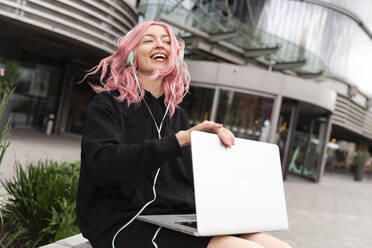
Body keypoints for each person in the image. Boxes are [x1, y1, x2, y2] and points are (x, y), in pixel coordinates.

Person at [76, 21, 291, 248]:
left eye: (167, 42)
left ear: (175, 56)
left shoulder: (177, 115)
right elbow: (104, 164)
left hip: (173, 216)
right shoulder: (108, 104)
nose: (160, 45)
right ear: (132, 54)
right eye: (149, 40)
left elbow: (187, 181)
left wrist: (220, 164)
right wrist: (180, 140)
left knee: (279, 246)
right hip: (121, 218)